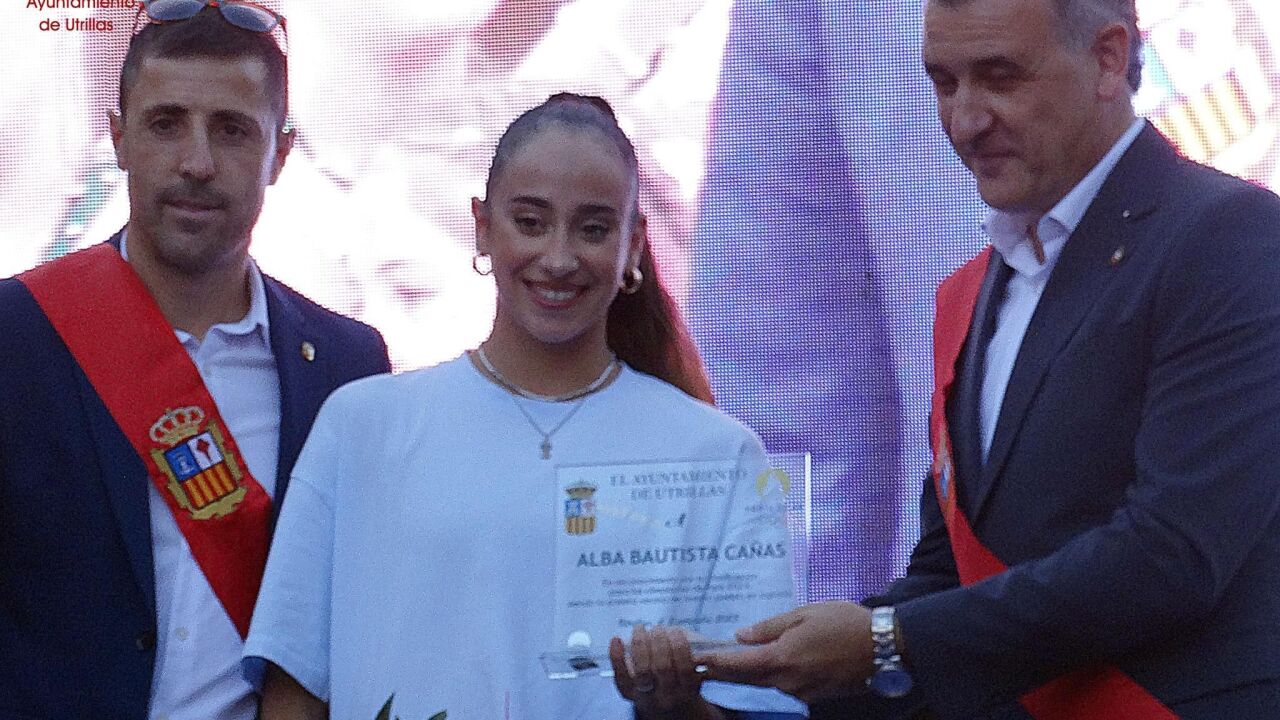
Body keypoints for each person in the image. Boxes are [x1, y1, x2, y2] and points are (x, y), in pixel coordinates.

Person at [698, 0, 1280, 717]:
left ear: (1107, 58)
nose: (965, 120)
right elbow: (949, 576)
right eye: (944, 83)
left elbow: (1171, 557)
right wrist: (736, 693)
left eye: (1000, 78)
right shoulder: (971, 294)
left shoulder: (1231, 237)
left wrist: (886, 641)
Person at [243, 93, 805, 720]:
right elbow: (293, 688)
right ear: (483, 226)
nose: (559, 259)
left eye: (594, 229)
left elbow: (756, 706)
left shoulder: (719, 456)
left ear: (634, 245)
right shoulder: (361, 426)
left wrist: (672, 706)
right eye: (531, 223)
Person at [0, 4, 391, 719]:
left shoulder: (346, 365)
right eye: (166, 124)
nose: (197, 163)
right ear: (118, 138)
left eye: (233, 130)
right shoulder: (14, 336)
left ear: (282, 153)